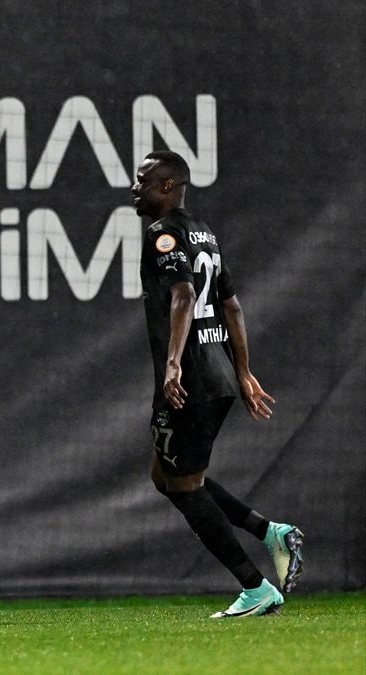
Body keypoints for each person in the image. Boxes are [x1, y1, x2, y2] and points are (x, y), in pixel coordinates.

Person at [132, 150, 304, 618]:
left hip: (190, 379)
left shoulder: (163, 234)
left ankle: (256, 587)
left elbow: (185, 294)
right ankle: (270, 533)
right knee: (167, 477)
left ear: (167, 186)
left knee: (184, 487)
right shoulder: (204, 234)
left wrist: (173, 363)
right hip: (219, 373)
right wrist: (242, 371)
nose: (135, 189)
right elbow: (231, 305)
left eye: (143, 180)